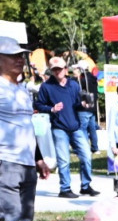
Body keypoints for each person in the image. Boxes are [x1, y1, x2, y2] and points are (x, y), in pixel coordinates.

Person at [0, 37, 52, 221]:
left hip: (27, 162)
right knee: (10, 216)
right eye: (13, 55)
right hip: (5, 160)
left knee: (25, 216)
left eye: (21, 55)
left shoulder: (22, 89)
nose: (20, 60)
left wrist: (39, 158)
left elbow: (28, 126)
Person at [35, 56, 98, 198]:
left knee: (86, 155)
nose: (57, 72)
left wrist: (82, 105)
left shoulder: (73, 84)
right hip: (59, 128)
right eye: (54, 70)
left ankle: (86, 186)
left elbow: (75, 103)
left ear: (65, 69)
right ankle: (65, 188)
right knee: (64, 160)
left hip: (75, 126)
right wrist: (51, 109)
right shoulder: (46, 86)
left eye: (60, 69)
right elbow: (38, 105)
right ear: (51, 71)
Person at [74, 61, 100, 157]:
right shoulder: (93, 78)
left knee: (82, 129)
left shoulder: (82, 80)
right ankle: (95, 148)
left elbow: (79, 92)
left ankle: (84, 148)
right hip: (92, 108)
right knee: (92, 128)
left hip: (84, 108)